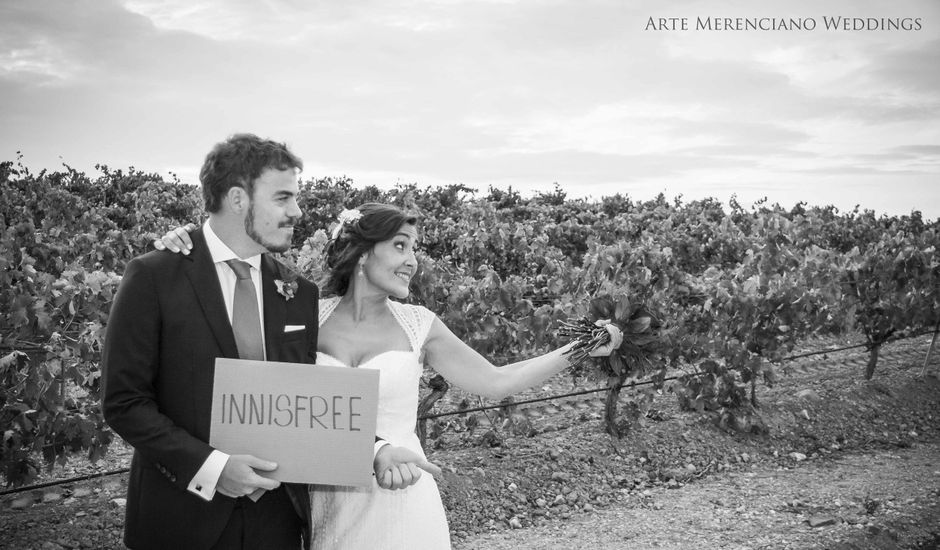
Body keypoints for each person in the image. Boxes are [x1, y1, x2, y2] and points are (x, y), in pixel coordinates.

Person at [156, 202, 622, 549]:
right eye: (399, 246)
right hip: (328, 504)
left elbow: (498, 380)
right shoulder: (300, 314)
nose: (412, 259)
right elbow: (235, 318)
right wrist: (191, 244)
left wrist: (581, 346)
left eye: (414, 248)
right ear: (361, 255)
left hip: (404, 494)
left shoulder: (420, 324)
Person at [103, 135, 433, 550]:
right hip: (180, 520)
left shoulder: (298, 291)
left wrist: (377, 450)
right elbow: (124, 401)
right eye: (283, 198)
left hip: (275, 525)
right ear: (238, 198)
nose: (296, 211)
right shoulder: (154, 277)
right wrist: (213, 467)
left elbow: (305, 403)